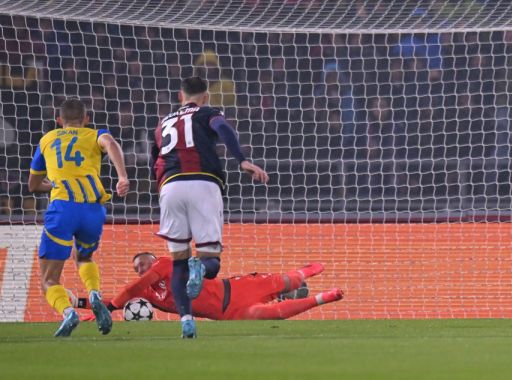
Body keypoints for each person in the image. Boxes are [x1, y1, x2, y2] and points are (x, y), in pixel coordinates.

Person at [152, 77, 269, 337]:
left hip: (170, 187)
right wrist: (242, 160)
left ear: (180, 96)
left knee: (178, 263)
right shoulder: (208, 113)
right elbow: (224, 129)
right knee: (211, 263)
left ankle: (186, 320)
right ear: (205, 97)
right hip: (203, 183)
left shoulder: (163, 123)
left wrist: (163, 190)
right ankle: (200, 268)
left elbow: (156, 158)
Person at [28, 97, 129, 337]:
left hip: (62, 208)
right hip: (92, 209)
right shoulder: (94, 134)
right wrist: (122, 176)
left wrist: (53, 184)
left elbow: (33, 185)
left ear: (59, 120)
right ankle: (94, 293)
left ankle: (68, 312)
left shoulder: (47, 140)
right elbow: (111, 144)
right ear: (86, 119)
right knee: (84, 258)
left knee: (49, 280)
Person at [89, 253, 343, 321]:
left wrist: (110, 307)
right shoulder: (149, 294)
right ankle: (323, 298)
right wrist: (82, 304)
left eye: (142, 264)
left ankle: (309, 270)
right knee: (272, 314)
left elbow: (132, 289)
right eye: (137, 269)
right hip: (226, 313)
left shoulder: (167, 264)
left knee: (289, 281)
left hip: (236, 288)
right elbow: (126, 295)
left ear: (153, 259)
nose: (141, 270)